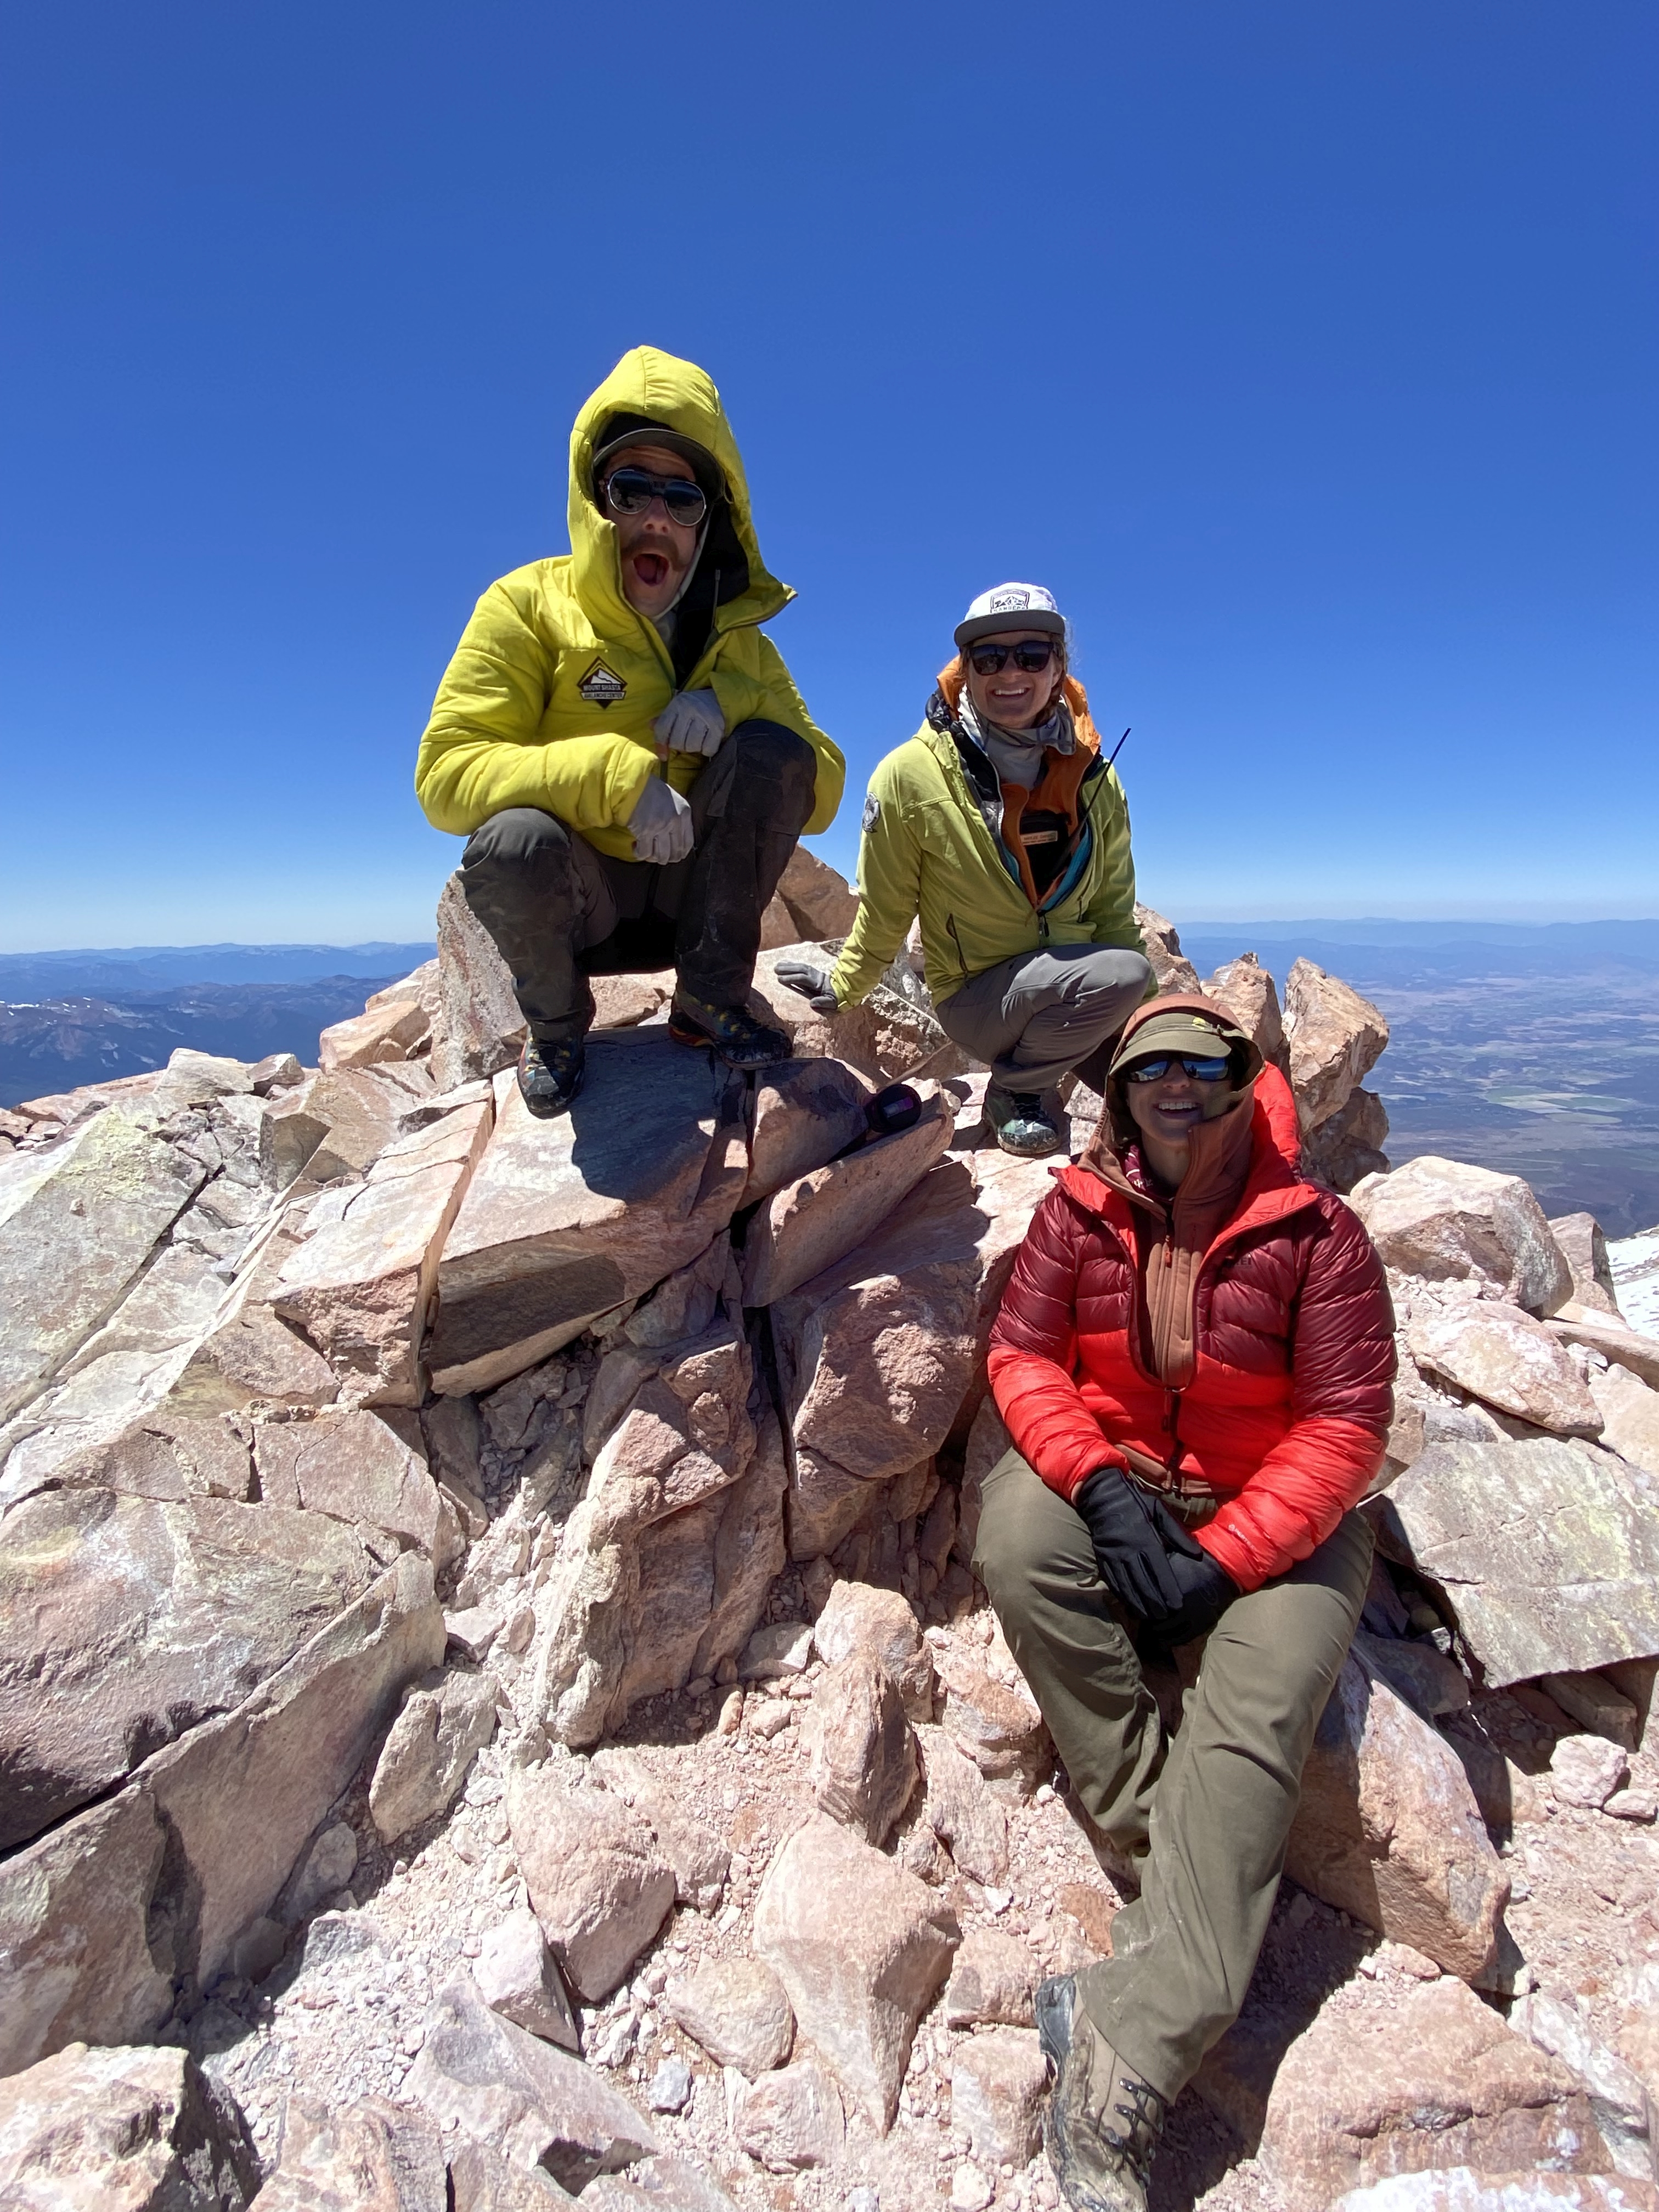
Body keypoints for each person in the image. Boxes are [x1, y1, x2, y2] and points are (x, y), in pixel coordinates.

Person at [977, 995, 1396, 2212]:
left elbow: (1344, 1429)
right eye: (1147, 1065)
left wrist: (1225, 1562)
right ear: (1119, 1089)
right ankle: (1175, 1867)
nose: (1171, 1083)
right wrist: (1101, 1492)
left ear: (1236, 1078)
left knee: (1258, 1707)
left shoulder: (1317, 1234)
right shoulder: (1076, 1208)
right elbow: (1021, 1356)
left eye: (1198, 1065)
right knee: (1017, 1539)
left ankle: (1129, 2048)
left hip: (1276, 1513)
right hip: (1126, 1482)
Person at [416, 346, 845, 1115]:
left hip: (696, 899)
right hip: (587, 903)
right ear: (595, 499)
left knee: (774, 750)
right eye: (632, 488)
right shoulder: (527, 605)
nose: (656, 516)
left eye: (682, 498)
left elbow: (821, 788)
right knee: (510, 838)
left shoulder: (742, 642)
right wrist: (616, 776)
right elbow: (447, 777)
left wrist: (732, 702)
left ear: (708, 522)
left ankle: (709, 1001)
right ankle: (555, 1028)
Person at [777, 583, 1150, 1156]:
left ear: (1058, 669)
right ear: (967, 669)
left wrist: (1143, 1020)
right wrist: (846, 985)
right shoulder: (910, 775)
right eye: (989, 657)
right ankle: (1016, 1090)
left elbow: (1113, 911)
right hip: (978, 1000)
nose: (1010, 672)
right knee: (1121, 974)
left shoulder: (1096, 778)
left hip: (1071, 990)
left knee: (1170, 1087)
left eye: (1032, 655)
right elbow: (887, 905)